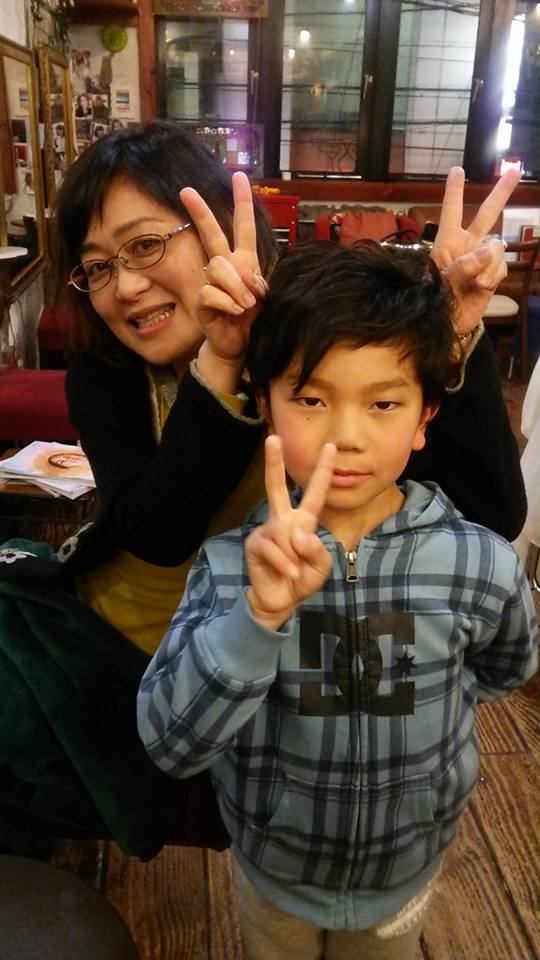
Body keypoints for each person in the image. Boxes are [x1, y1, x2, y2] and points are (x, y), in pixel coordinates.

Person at [0, 120, 525, 860]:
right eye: (97, 267)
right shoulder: (106, 371)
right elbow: (154, 532)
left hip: (271, 635)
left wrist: (453, 332)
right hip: (126, 630)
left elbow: (489, 515)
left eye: (145, 246)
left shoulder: (308, 341)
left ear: (221, 221)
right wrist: (220, 362)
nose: (126, 286)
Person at [137, 240, 537, 960]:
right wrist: (257, 620)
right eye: (311, 399)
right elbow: (171, 742)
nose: (346, 437)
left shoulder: (478, 562)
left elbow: (507, 666)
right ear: (265, 406)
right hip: (273, 870)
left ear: (425, 417)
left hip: (407, 867)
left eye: (383, 403)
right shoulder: (230, 567)